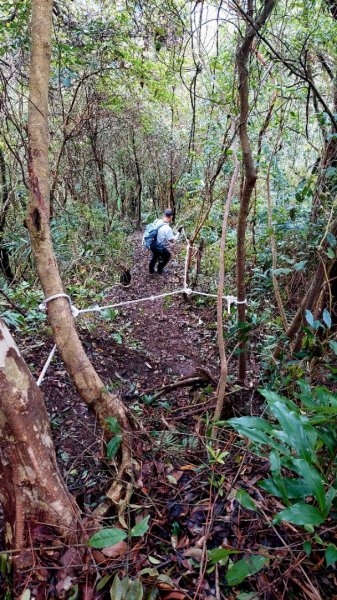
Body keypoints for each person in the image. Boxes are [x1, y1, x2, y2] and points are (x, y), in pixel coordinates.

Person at [149, 208, 180, 274]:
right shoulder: (167, 228)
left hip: (151, 244)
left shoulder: (158, 221)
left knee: (155, 256)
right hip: (158, 247)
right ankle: (159, 270)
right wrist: (178, 233)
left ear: (164, 215)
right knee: (167, 255)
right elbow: (172, 240)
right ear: (171, 216)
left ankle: (151, 270)